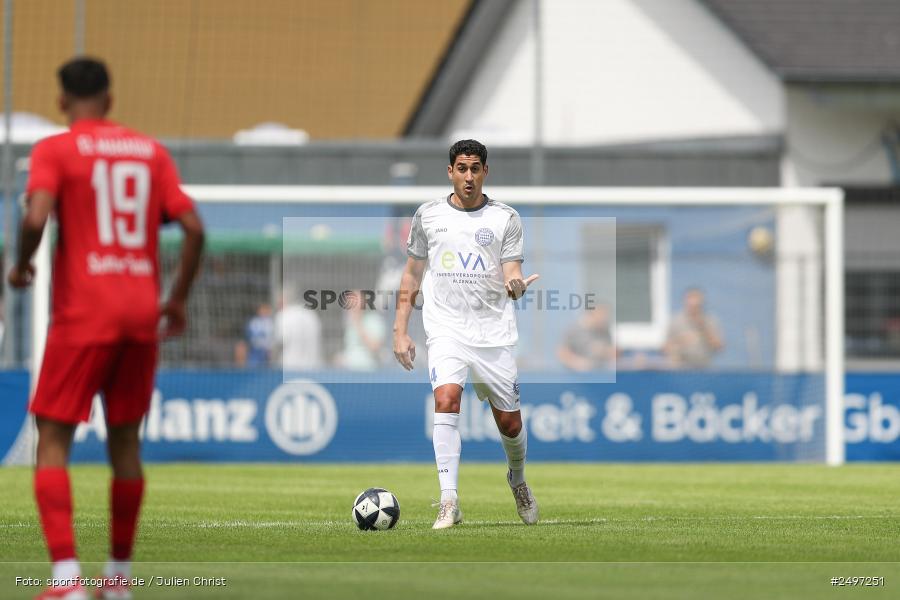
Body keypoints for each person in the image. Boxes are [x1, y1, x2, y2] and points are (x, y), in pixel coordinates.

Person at [7, 57, 205, 600]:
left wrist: (21, 264)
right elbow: (192, 227)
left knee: (52, 441)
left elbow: (34, 216)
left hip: (84, 314)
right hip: (142, 311)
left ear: (62, 100)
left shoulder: (56, 149)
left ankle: (67, 581)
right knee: (126, 443)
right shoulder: (150, 152)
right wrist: (178, 300)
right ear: (111, 100)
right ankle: (117, 580)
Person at [393, 139, 540, 529]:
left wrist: (515, 285)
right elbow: (412, 273)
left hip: (493, 333)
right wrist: (400, 330)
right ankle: (449, 500)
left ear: (485, 172)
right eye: (462, 168)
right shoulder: (428, 215)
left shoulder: (505, 218)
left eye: (476, 168)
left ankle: (518, 479)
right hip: (446, 330)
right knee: (447, 397)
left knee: (510, 424)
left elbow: (511, 270)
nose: (469, 176)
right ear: (450, 172)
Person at [664, 287, 724, 369]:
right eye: (691, 302)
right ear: (685, 301)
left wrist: (703, 328)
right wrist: (681, 340)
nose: (694, 306)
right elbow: (665, 347)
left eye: (697, 305)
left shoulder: (710, 321)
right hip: (681, 367)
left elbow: (719, 346)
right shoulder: (676, 321)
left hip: (704, 367)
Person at [557, 303, 616, 371]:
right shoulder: (574, 330)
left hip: (599, 373)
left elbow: (611, 352)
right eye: (600, 315)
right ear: (591, 315)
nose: (603, 319)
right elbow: (562, 353)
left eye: (605, 316)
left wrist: (606, 352)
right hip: (576, 375)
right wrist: (577, 363)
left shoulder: (604, 331)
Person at [338, 290, 386, 371]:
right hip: (349, 371)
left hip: (367, 371)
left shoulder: (374, 320)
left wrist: (358, 323)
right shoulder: (349, 323)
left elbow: (374, 347)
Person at [274, 291, 323, 371]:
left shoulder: (283, 315)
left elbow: (280, 341)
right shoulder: (312, 314)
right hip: (313, 366)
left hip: (290, 366)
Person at [240, 302, 274, 368]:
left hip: (267, 351)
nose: (264, 312)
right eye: (262, 310)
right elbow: (249, 336)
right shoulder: (254, 322)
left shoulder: (271, 322)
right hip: (255, 350)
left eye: (266, 310)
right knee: (253, 367)